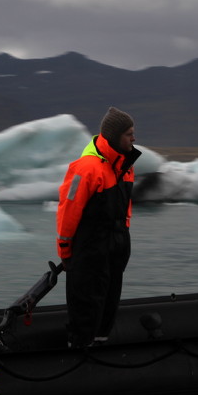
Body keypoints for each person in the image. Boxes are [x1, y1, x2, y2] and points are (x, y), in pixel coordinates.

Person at [56, 107, 141, 347]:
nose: (134, 139)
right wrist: (65, 250)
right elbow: (67, 211)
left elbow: (125, 208)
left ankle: (100, 349)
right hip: (90, 249)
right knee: (86, 305)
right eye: (129, 134)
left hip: (115, 247)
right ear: (114, 136)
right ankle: (80, 353)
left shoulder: (126, 167)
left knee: (108, 303)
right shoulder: (86, 169)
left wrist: (123, 238)